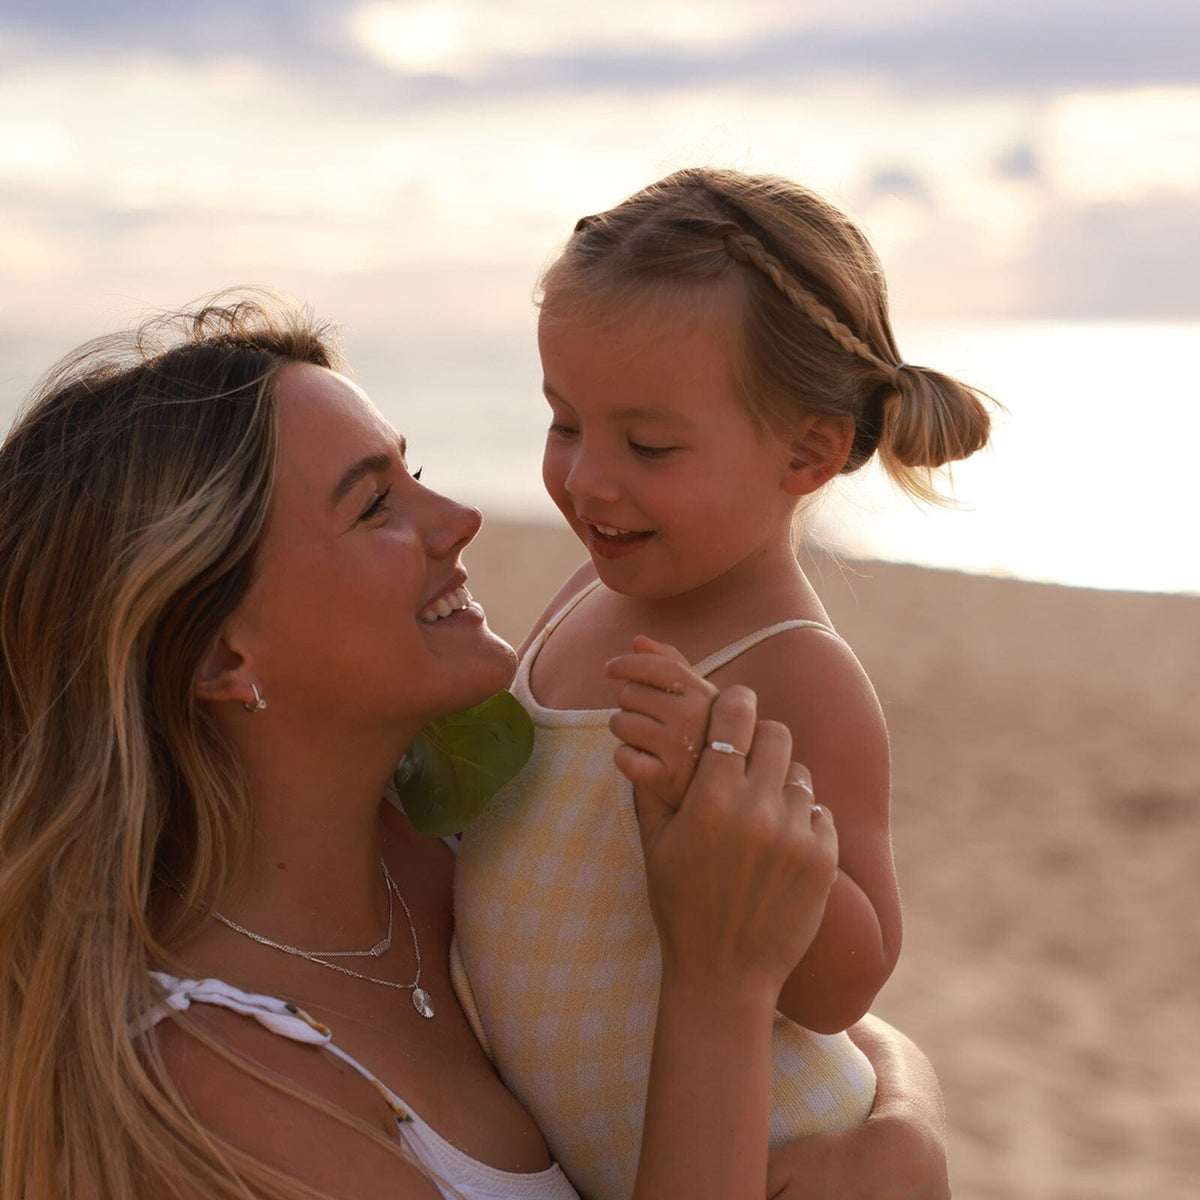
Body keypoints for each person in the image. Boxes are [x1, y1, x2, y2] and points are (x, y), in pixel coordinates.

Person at [0, 294, 949, 1200]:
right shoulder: (215, 1079)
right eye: (374, 505)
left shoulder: (459, 837)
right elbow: (730, 977)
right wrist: (718, 991)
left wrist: (904, 1121)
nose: (458, 519)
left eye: (412, 470)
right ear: (219, 652)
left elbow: (803, 1013)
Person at [452, 167, 992, 1199]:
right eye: (565, 423)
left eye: (647, 445)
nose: (586, 478)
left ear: (808, 453)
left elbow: (850, 981)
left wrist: (730, 796)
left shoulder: (795, 672)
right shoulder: (577, 599)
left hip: (772, 1157)